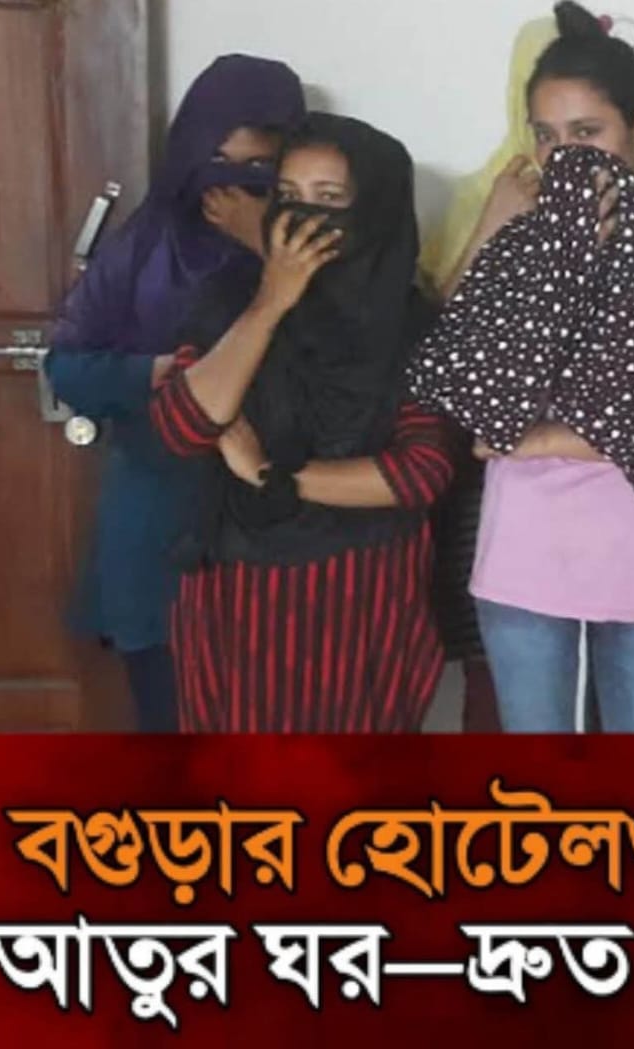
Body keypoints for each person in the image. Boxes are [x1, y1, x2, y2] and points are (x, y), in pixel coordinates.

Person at [408, 1, 634, 733]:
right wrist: (538, 251)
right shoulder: (516, 249)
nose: (564, 156)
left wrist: (536, 436)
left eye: (587, 132)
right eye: (546, 136)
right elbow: (462, 392)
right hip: (525, 562)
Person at [150, 114, 455, 732]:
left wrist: (272, 475)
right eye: (288, 196)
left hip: (363, 599)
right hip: (236, 597)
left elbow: (421, 471)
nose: (303, 218)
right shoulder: (228, 301)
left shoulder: (412, 326)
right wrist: (271, 303)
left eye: (329, 199)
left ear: (372, 214)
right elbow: (183, 426)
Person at [45, 55, 304, 732]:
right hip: (157, 519)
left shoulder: (312, 244)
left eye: (259, 168)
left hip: (269, 524)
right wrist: (154, 372)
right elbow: (66, 366)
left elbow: (339, 359)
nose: (234, 186)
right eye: (218, 161)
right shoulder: (144, 244)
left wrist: (264, 247)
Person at [418, 13, 560, 733]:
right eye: (545, 123)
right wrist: (495, 226)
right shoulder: (484, 195)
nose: (562, 144)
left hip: (607, 504)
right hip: (485, 482)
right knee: (499, 687)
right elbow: (429, 343)